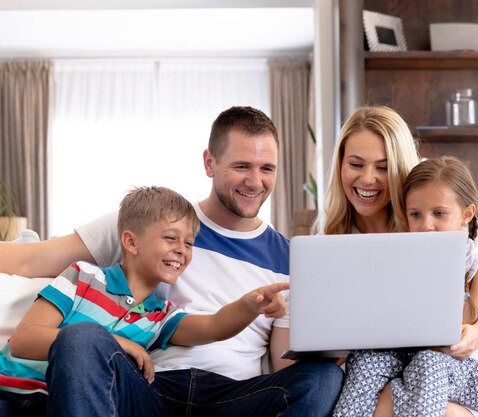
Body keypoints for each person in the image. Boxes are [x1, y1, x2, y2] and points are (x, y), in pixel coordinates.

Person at [0, 106, 343, 416]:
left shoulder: (291, 259)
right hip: (150, 388)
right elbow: (33, 260)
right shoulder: (150, 221)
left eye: (267, 168)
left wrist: (300, 326)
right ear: (210, 162)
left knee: (323, 377)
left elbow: (254, 349)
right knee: (82, 337)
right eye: (242, 166)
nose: (255, 182)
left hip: (232, 398)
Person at [0, 186, 290, 416]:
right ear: (131, 242)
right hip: (10, 394)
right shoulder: (83, 276)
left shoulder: (159, 317)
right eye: (170, 238)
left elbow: (214, 326)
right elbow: (25, 340)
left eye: (189, 243)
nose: (181, 250)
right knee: (83, 337)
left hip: (57, 404)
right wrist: (118, 343)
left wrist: (250, 306)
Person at [314, 105, 478, 417]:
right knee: (367, 363)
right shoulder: (334, 241)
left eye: (382, 167)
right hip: (387, 361)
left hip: (444, 363)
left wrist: (473, 335)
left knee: (424, 367)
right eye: (356, 164)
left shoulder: (443, 238)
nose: (368, 179)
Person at [333, 156, 478, 417]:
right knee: (366, 362)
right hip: (401, 360)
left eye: (439, 213)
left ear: (466, 214)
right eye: (416, 215)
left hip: (457, 367)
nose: (426, 225)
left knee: (426, 361)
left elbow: (462, 324)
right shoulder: (400, 254)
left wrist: (445, 264)